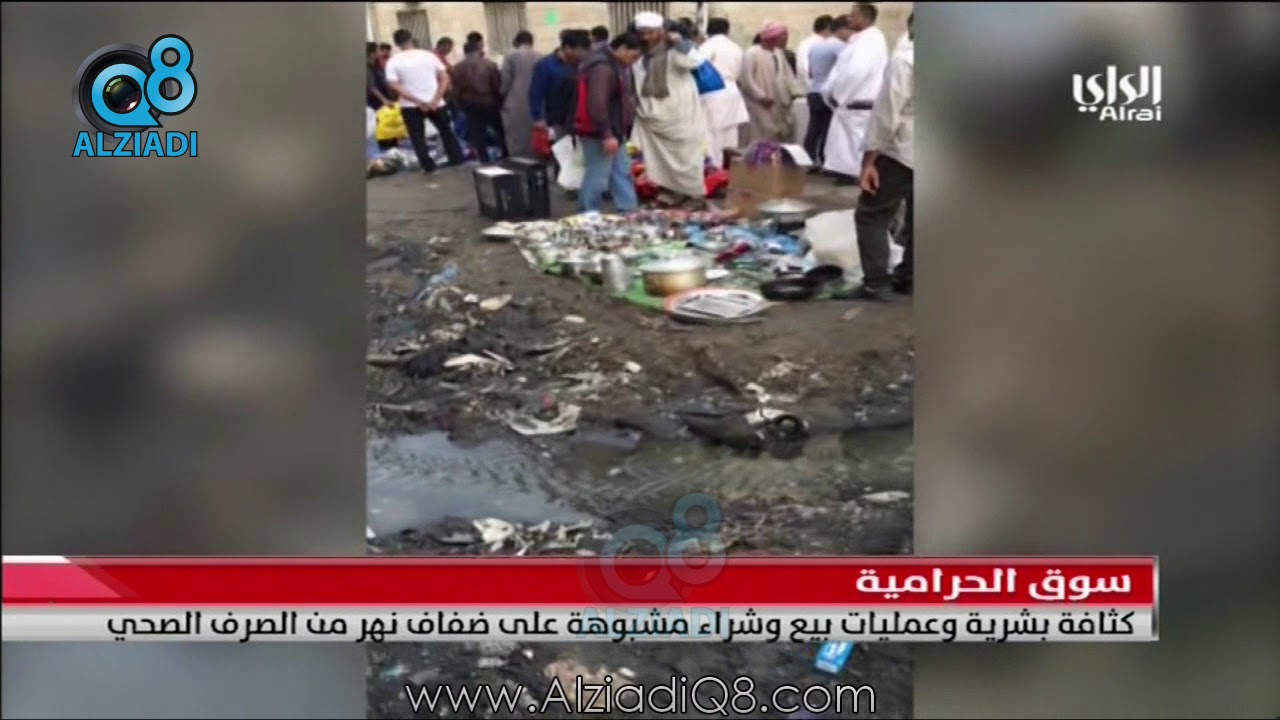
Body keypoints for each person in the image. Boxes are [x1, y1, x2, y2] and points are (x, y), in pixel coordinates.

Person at [841, 12, 913, 300]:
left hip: (904, 151)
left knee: (872, 214)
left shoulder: (905, 61)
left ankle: (876, 282)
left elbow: (886, 115)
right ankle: (911, 276)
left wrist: (869, 161)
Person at [630, 12, 709, 207]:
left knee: (686, 156)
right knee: (659, 159)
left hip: (681, 114)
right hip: (652, 114)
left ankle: (694, 195)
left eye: (650, 32)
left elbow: (695, 61)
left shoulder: (675, 51)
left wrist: (681, 43)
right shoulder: (640, 55)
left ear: (661, 31)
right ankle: (669, 193)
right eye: (643, 33)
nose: (646, 37)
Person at [576, 32, 643, 213]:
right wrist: (606, 134)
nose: (634, 62)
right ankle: (587, 214)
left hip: (614, 131)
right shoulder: (602, 68)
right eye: (633, 56)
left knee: (621, 172)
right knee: (598, 174)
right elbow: (597, 103)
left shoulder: (614, 65)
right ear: (622, 48)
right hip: (600, 132)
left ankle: (628, 211)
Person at [821, 3, 888, 185]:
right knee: (845, 143)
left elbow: (855, 72)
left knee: (853, 143)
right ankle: (847, 172)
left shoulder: (870, 40)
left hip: (856, 101)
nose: (849, 19)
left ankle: (854, 173)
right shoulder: (863, 39)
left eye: (853, 16)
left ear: (864, 18)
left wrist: (838, 94)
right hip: (853, 101)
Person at [384, 29, 464, 172]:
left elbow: (393, 84)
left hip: (410, 106)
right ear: (411, 38)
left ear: (396, 43)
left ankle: (428, 166)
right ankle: (457, 159)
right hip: (436, 103)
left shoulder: (393, 61)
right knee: (446, 131)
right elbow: (445, 78)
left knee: (417, 137)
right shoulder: (429, 56)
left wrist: (418, 101)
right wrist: (435, 99)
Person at [740, 21, 803, 144]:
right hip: (759, 104)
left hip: (779, 103)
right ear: (773, 37)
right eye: (783, 36)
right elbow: (746, 79)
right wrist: (761, 96)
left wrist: (795, 92)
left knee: (781, 135)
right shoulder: (752, 54)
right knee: (761, 135)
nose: (785, 39)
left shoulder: (779, 53)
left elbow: (788, 75)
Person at [698, 17, 750, 167]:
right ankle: (728, 168)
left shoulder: (708, 46)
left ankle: (714, 166)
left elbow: (698, 66)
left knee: (711, 133)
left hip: (713, 90)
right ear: (727, 30)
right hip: (732, 90)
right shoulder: (736, 47)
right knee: (730, 133)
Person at [803, 14, 850, 165]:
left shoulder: (815, 46)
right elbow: (845, 71)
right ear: (841, 29)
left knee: (813, 127)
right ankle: (825, 159)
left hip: (813, 91)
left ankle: (808, 158)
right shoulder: (840, 47)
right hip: (828, 93)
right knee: (828, 129)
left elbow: (810, 72)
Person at [450, 40, 507, 162]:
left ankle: (484, 158)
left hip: (470, 104)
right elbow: (497, 86)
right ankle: (505, 154)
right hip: (489, 102)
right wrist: (501, 102)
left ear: (465, 52)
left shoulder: (457, 68)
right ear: (479, 51)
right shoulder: (490, 65)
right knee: (500, 130)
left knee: (477, 133)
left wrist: (460, 105)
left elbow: (455, 90)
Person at [530, 29, 592, 139]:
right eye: (580, 50)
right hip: (555, 121)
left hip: (578, 122)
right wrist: (538, 118)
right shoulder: (545, 65)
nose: (582, 54)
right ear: (567, 47)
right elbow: (536, 93)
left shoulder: (581, 65)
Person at [500, 30, 542, 158]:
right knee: (535, 136)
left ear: (516, 42)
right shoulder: (540, 56)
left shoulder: (510, 56)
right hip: (537, 102)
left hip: (515, 102)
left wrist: (501, 97)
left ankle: (519, 162)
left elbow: (505, 82)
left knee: (516, 137)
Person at [795, 15, 833, 86]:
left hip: (803, 86)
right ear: (828, 28)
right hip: (816, 86)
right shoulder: (822, 44)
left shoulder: (804, 42)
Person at [367, 42, 394, 111]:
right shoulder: (368, 68)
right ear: (372, 54)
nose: (380, 52)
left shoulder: (376, 64)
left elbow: (383, 78)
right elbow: (372, 87)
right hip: (375, 100)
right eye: (378, 50)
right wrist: (384, 99)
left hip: (384, 95)